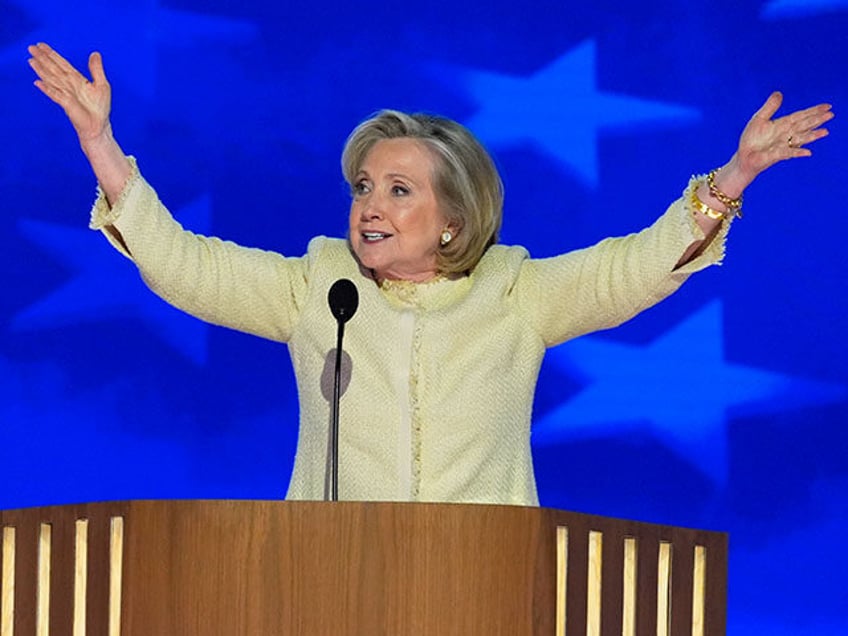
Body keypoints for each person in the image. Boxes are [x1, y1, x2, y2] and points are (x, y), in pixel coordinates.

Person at [27, 42, 833, 506]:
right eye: (363, 187)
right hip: (326, 591)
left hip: (487, 594)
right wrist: (102, 146)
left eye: (399, 189)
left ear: (453, 218)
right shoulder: (319, 287)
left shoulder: (517, 292)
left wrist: (731, 179)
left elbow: (633, 267)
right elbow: (185, 267)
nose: (371, 205)